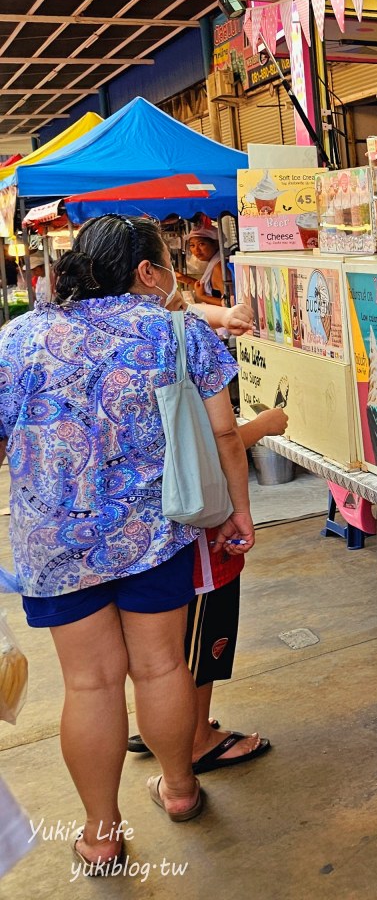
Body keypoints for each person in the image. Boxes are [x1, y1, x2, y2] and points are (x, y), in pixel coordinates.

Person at [0, 216, 253, 872]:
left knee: (88, 685)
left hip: (57, 546)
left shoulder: (18, 338)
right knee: (163, 668)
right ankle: (178, 789)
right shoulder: (176, 329)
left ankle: (102, 832)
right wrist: (236, 513)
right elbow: (226, 434)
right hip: (154, 534)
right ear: (142, 267)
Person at [125, 406, 284, 772]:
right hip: (196, 544)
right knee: (196, 651)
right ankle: (196, 739)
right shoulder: (184, 346)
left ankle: (166, 727)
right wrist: (263, 426)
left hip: (137, 542)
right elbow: (216, 442)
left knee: (155, 658)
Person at [175, 227, 227, 301]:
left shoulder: (219, 267)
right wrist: (184, 278)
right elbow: (205, 287)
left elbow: (229, 303)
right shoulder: (215, 262)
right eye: (192, 245)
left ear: (216, 244)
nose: (196, 250)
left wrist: (202, 296)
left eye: (201, 244)